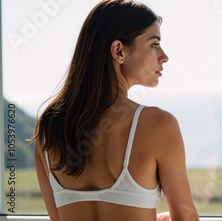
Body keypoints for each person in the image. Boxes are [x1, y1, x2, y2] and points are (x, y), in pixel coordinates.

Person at [32, 1, 200, 220]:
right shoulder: (157, 124)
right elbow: (186, 216)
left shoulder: (48, 127)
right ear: (119, 51)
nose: (164, 56)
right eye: (154, 44)